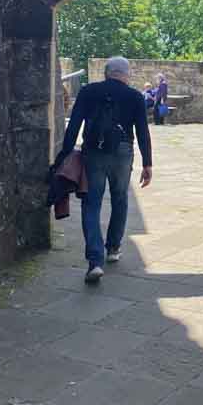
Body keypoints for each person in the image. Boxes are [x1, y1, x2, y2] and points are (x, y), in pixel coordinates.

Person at [57, 57, 152, 284]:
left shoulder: (89, 91)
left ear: (107, 73)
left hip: (94, 151)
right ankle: (113, 248)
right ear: (126, 74)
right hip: (122, 151)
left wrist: (65, 153)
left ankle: (95, 261)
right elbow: (142, 131)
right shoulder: (135, 96)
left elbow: (74, 125)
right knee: (120, 199)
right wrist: (148, 163)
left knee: (92, 203)